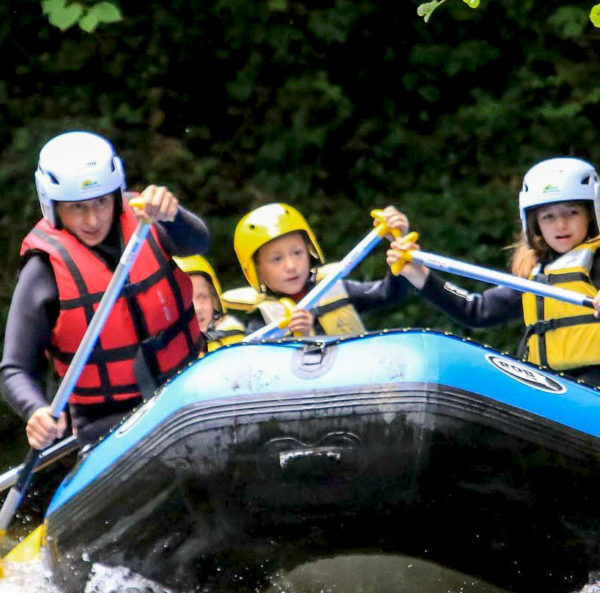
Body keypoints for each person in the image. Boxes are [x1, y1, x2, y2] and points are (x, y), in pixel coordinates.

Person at [387, 157, 600, 395]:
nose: (561, 224)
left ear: (591, 214)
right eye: (548, 217)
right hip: (550, 388)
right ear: (534, 224)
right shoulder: (537, 277)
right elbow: (475, 310)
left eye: (571, 212)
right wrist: (418, 273)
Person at [0, 130, 209, 450]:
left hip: (187, 387)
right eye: (77, 208)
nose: (93, 218)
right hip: (108, 424)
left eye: (101, 201)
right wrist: (36, 410)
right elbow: (15, 369)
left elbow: (198, 242)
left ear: (116, 194)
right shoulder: (42, 271)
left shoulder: (146, 219)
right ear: (52, 205)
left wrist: (173, 216)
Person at [232, 202, 410, 336]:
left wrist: (398, 243)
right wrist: (300, 336)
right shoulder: (259, 324)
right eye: (277, 259)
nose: (291, 266)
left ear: (309, 251)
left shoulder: (334, 288)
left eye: (297, 253)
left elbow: (392, 294)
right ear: (257, 270)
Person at [174, 255, 246, 352]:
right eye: (186, 301)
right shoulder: (168, 358)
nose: (197, 307)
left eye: (203, 297)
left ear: (214, 300)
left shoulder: (237, 338)